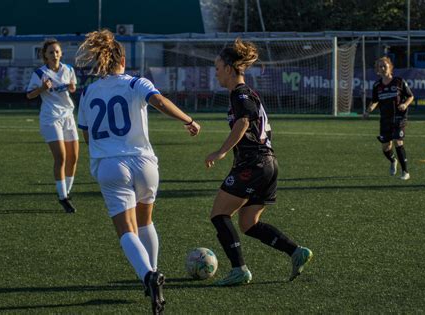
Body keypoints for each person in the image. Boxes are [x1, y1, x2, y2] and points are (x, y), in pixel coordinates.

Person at [75, 29, 200, 313]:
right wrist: (188, 119)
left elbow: (86, 133)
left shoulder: (89, 91)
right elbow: (159, 101)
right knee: (145, 222)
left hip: (110, 165)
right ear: (122, 61)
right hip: (144, 163)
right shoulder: (135, 83)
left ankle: (148, 275)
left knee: (126, 230)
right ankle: (154, 272)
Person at [205, 38, 313, 286]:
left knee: (219, 214)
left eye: (218, 68)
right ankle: (296, 251)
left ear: (230, 69)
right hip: (268, 164)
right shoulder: (248, 93)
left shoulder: (240, 93)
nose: (216, 73)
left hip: (254, 164)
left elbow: (244, 121)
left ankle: (239, 270)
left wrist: (220, 152)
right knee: (248, 223)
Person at [26, 39, 79, 213]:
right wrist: (42, 88)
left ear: (61, 53)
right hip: (51, 118)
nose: (54, 54)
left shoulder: (68, 70)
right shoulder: (40, 73)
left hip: (68, 117)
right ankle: (63, 197)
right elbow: (29, 95)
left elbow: (72, 88)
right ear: (45, 56)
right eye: (51, 52)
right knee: (61, 157)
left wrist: (72, 88)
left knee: (74, 158)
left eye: (57, 51)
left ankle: (67, 192)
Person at [364, 56, 414, 180]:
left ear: (390, 67)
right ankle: (393, 161)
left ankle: (405, 172)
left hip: (399, 117)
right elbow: (375, 101)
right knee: (386, 147)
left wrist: (405, 104)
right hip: (385, 119)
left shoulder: (399, 82)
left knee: (398, 141)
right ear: (377, 70)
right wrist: (369, 110)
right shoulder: (377, 85)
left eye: (384, 65)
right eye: (380, 66)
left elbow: (410, 96)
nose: (382, 67)